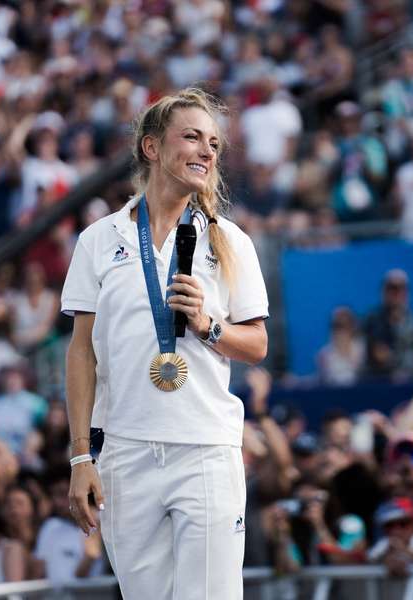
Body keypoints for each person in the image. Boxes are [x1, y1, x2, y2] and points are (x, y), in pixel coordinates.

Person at [62, 88, 268, 600]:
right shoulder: (98, 238)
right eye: (192, 137)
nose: (206, 151)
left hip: (205, 446)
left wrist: (209, 324)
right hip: (125, 453)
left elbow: (258, 344)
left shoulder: (230, 240)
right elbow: (82, 353)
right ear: (152, 148)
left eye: (214, 144)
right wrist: (79, 457)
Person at [363, 269, 413, 381]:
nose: (396, 294)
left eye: (400, 289)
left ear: (406, 293)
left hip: (410, 386)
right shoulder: (370, 323)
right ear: (383, 291)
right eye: (391, 289)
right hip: (376, 386)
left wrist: (392, 358)